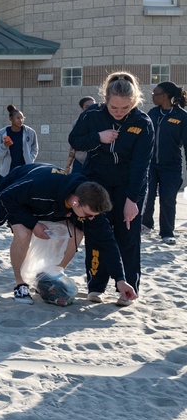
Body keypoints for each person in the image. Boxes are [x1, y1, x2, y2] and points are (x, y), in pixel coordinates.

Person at [0, 162, 137, 305]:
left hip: (52, 207)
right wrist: (33, 224)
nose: (91, 218)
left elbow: (106, 242)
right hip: (16, 198)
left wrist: (120, 280)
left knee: (76, 232)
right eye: (88, 215)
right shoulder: (41, 185)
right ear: (76, 202)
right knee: (23, 233)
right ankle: (20, 285)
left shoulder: (91, 204)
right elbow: (6, 196)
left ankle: (49, 276)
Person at [69, 71, 154, 304]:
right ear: (105, 100)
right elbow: (75, 141)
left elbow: (141, 166)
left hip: (128, 184)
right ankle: (96, 286)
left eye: (125, 108)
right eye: (113, 107)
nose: (118, 112)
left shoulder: (143, 123)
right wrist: (99, 136)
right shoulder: (92, 115)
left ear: (134, 102)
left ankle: (128, 289)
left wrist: (133, 200)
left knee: (127, 234)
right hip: (97, 182)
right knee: (97, 233)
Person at [143, 81, 187, 245]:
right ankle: (146, 225)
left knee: (168, 200)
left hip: (171, 166)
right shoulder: (152, 114)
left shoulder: (182, 117)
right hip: (150, 165)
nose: (153, 97)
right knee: (147, 197)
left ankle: (167, 232)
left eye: (155, 94)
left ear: (166, 96)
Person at [0, 104, 38, 186]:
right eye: (18, 118)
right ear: (10, 119)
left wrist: (30, 158)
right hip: (7, 172)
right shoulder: (1, 133)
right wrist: (5, 146)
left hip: (25, 171)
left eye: (22, 118)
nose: (20, 120)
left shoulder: (30, 132)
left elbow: (35, 147)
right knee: (6, 195)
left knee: (23, 196)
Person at [65, 97, 97, 174]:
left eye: (93, 106)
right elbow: (73, 146)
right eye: (87, 107)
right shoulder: (77, 124)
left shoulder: (100, 122)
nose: (91, 108)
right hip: (79, 163)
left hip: (95, 162)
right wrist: (68, 166)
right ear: (82, 108)